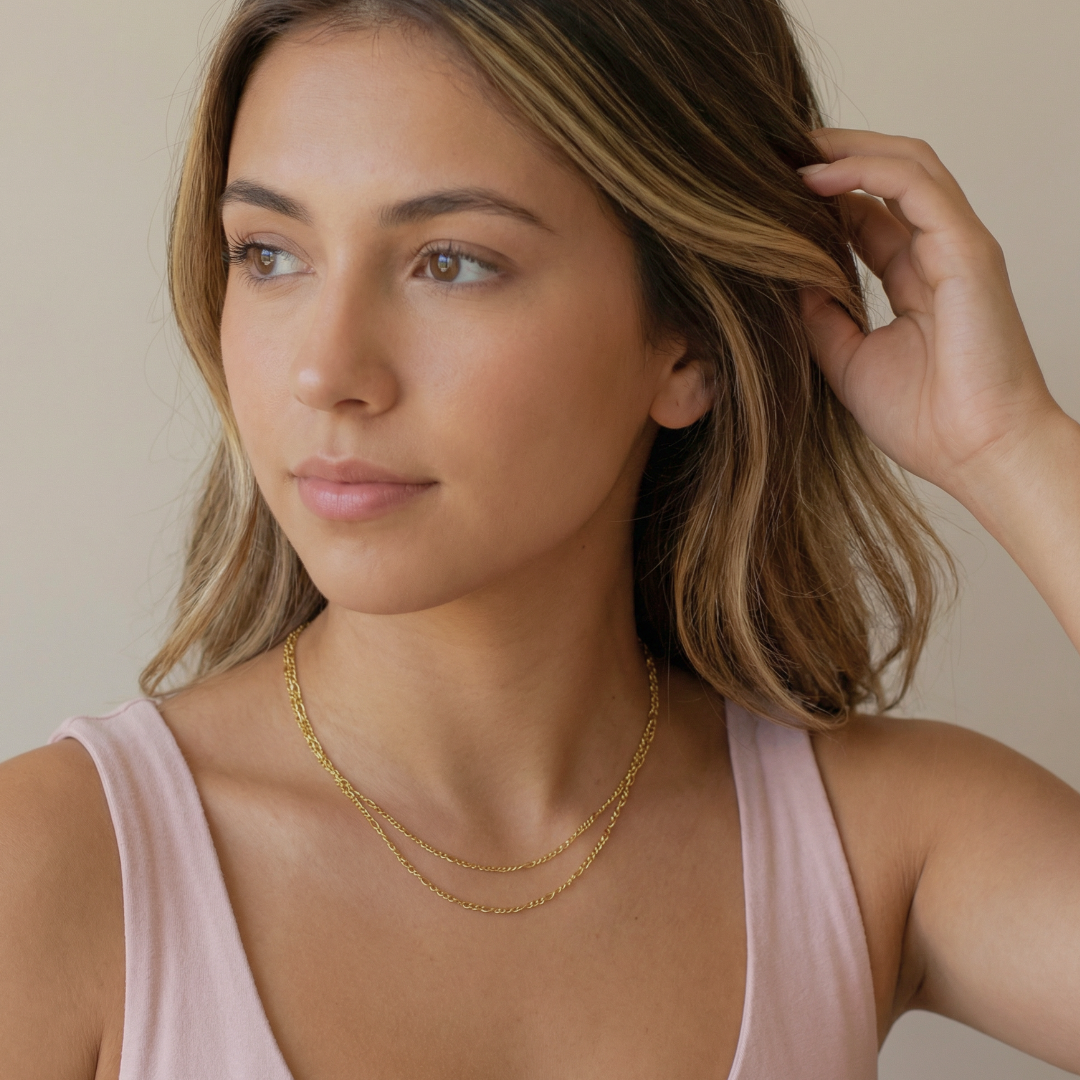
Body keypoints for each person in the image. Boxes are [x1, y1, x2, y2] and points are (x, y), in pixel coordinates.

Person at [1, 0, 1078, 1076]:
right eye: (270, 254)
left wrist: (1008, 443)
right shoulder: (55, 867)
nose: (325, 373)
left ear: (690, 343)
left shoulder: (877, 840)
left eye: (452, 262)